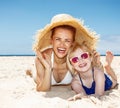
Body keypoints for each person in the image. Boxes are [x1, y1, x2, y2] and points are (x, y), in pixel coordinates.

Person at [26, 13, 99, 91]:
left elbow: (92, 82)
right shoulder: (43, 58)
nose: (62, 45)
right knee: (34, 73)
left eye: (67, 40)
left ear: (72, 43)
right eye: (58, 39)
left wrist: (97, 65)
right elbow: (42, 89)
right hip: (40, 73)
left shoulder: (78, 58)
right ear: (52, 40)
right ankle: (31, 69)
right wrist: (48, 69)